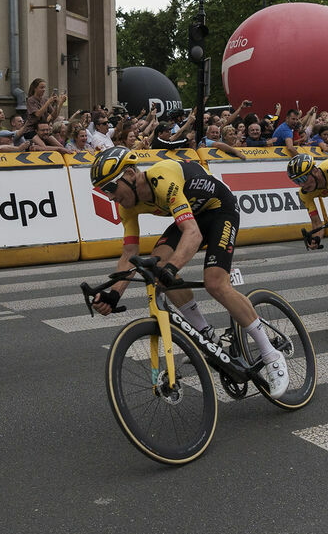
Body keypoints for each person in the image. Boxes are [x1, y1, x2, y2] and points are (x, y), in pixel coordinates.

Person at [87, 146, 289, 397]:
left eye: (110, 188)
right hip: (193, 214)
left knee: (216, 283)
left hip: (220, 210)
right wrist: (113, 294)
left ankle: (271, 354)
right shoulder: (127, 206)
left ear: (129, 173)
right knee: (156, 268)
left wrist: (173, 268)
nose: (109, 197)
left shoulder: (162, 179)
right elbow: (130, 253)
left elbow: (192, 233)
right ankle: (206, 335)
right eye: (103, 191)